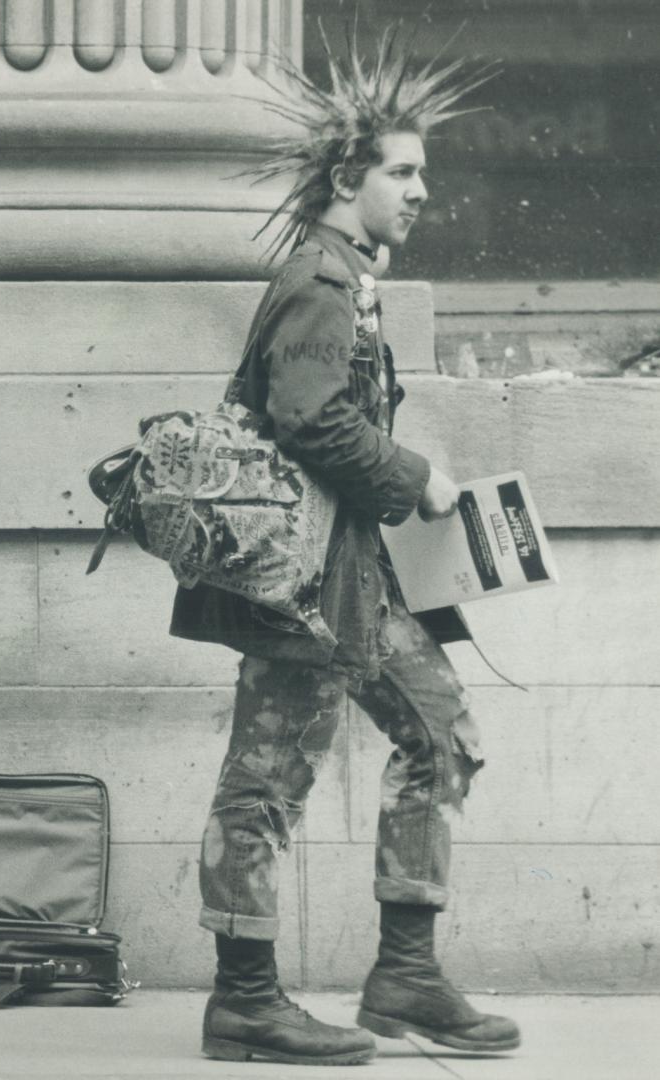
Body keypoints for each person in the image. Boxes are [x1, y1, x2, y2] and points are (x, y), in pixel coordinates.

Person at [170, 31, 521, 1065]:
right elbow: (310, 418)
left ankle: (404, 977)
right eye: (403, 173)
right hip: (304, 589)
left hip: (356, 582)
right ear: (345, 178)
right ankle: (244, 999)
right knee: (265, 782)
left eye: (421, 173)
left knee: (440, 737)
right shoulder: (321, 282)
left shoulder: (343, 276)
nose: (420, 192)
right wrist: (423, 481)